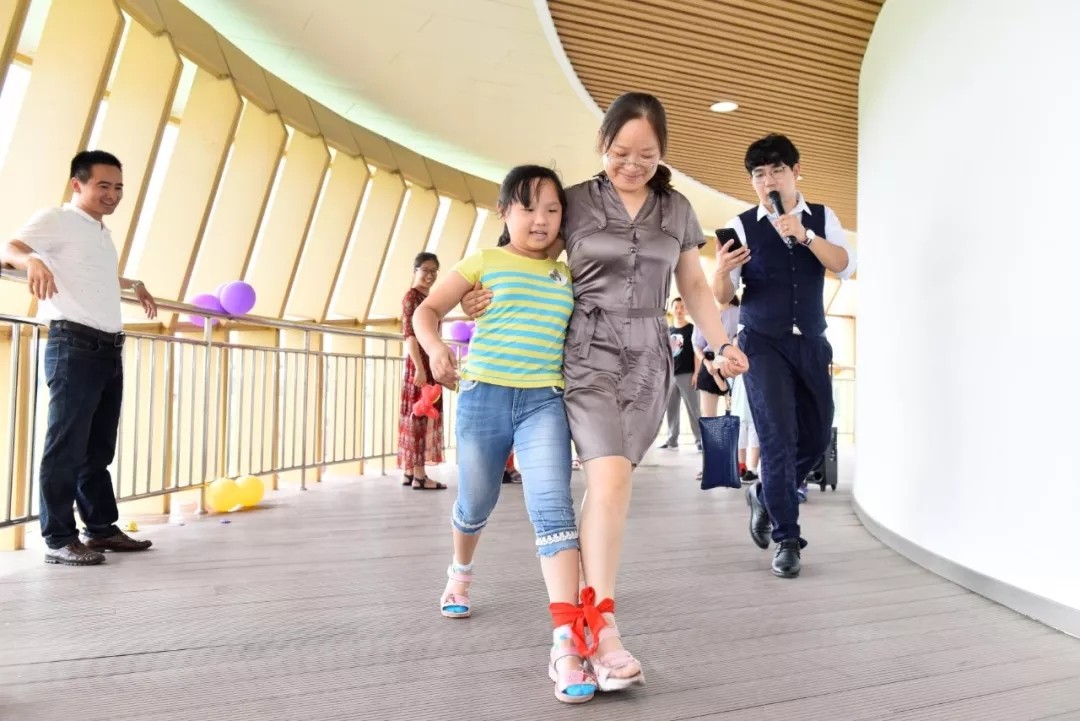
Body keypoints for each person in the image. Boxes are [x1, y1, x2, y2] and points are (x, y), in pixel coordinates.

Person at [461, 93, 748, 691]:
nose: (632, 164)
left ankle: (585, 622)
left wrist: (721, 344)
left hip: (648, 356)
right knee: (610, 480)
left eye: (647, 154)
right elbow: (526, 250)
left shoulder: (677, 209)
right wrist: (478, 291)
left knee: (612, 488)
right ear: (602, 145)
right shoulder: (576, 203)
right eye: (621, 151)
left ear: (663, 153)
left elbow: (694, 287)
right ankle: (602, 627)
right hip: (587, 352)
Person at [413, 165, 598, 704]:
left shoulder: (567, 272)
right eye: (528, 208)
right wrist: (437, 349)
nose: (540, 220)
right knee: (476, 502)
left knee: (554, 509)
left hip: (544, 402)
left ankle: (566, 643)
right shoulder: (484, 261)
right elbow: (427, 311)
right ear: (504, 213)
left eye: (552, 210)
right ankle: (460, 571)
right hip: (483, 396)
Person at [1, 150, 158, 566]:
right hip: (74, 345)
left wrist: (133, 283)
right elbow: (9, 247)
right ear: (78, 184)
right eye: (103, 186)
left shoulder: (99, 232)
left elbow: (89, 273)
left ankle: (101, 529)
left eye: (118, 187)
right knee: (65, 448)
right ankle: (58, 538)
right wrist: (33, 259)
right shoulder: (58, 219)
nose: (113, 195)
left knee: (97, 449)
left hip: (108, 347)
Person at [712, 133, 856, 578]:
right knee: (777, 438)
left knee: (816, 436)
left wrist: (805, 235)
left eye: (776, 170)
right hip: (763, 343)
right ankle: (787, 539)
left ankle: (764, 495)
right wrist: (721, 271)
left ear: (796, 172)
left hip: (811, 340)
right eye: (759, 174)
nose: (768, 180)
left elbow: (844, 265)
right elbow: (724, 296)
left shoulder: (822, 217)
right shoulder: (741, 226)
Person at [397, 251, 446, 490]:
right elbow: (410, 335)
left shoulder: (429, 298)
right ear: (415, 270)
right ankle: (419, 475)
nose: (430, 275)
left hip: (428, 360)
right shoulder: (412, 297)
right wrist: (419, 368)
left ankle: (409, 471)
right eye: (425, 270)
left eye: (434, 271)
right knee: (420, 414)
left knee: (419, 414)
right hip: (420, 363)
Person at [658, 297, 702, 451]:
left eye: (682, 307)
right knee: (671, 409)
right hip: (671, 376)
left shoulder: (692, 329)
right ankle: (672, 439)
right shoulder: (668, 331)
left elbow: (697, 353)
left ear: (686, 310)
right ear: (672, 310)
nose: (679, 310)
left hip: (688, 374)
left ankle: (699, 440)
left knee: (693, 408)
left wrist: (697, 373)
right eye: (676, 307)